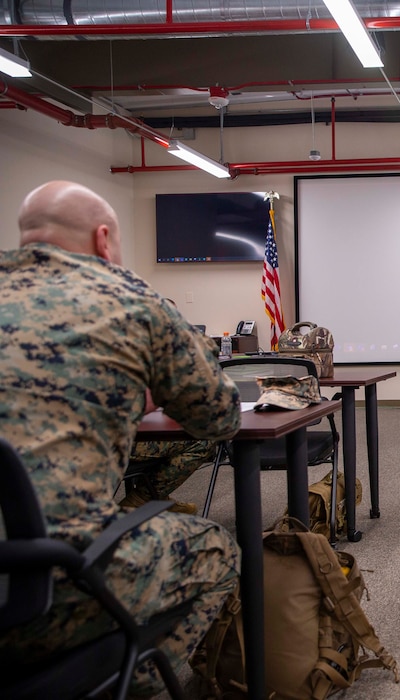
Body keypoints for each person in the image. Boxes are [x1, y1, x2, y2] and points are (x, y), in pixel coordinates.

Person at [0, 181, 243, 697]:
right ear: (104, 239)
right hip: (49, 588)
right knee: (219, 552)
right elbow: (221, 419)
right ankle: (124, 681)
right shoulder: (132, 301)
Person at [122, 299, 217, 515]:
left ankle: (158, 498)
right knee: (202, 439)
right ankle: (145, 497)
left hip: (57, 447)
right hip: (112, 445)